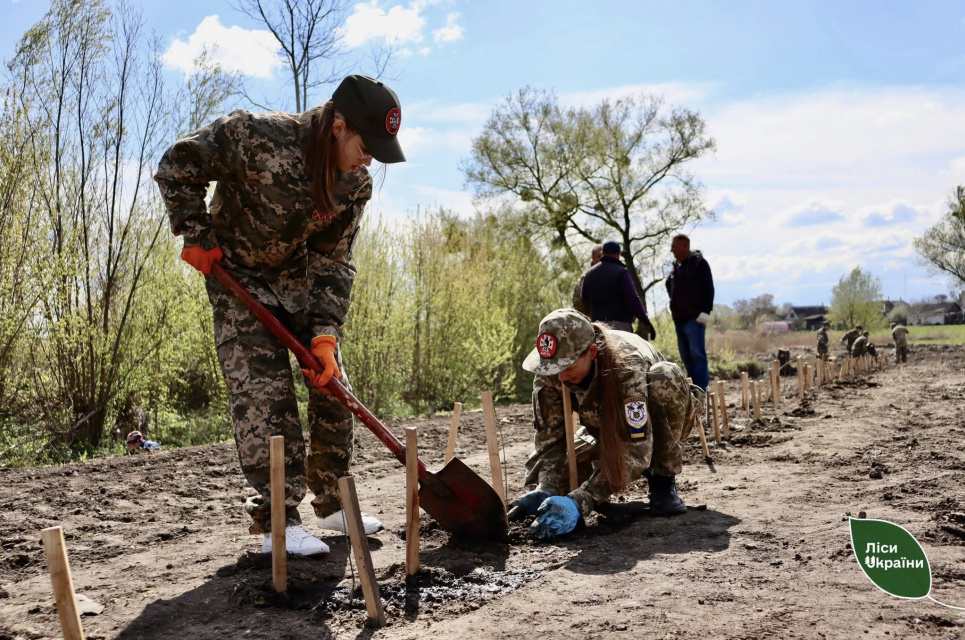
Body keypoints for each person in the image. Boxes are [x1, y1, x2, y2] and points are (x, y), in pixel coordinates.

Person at [155, 75, 404, 556]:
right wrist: (194, 230)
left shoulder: (355, 184)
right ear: (337, 125)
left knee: (333, 386)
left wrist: (326, 334)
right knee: (265, 396)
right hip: (237, 279)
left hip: (300, 284)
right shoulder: (255, 135)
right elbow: (177, 165)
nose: (369, 158)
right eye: (365, 145)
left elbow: (334, 261)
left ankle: (332, 501)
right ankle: (277, 522)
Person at [508, 309, 704, 540]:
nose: (560, 378)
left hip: (661, 419)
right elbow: (551, 438)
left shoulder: (627, 367)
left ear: (591, 352)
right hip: (599, 425)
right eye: (555, 369)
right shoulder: (553, 365)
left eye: (568, 368)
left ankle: (663, 481)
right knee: (564, 486)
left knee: (665, 376)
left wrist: (583, 500)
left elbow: (636, 448)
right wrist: (546, 486)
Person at [580, 241, 657, 339]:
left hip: (598, 329)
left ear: (602, 254)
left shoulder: (589, 274)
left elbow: (584, 301)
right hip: (620, 328)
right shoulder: (621, 273)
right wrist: (646, 322)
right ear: (618, 255)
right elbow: (633, 300)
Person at [665, 234, 714, 390]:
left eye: (674, 246)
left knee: (697, 354)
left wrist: (705, 312)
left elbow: (709, 288)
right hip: (679, 319)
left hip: (695, 318)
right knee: (686, 355)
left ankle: (700, 388)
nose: (671, 249)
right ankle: (691, 388)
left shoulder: (699, 264)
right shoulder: (676, 268)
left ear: (684, 247)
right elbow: (669, 286)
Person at [572, 244, 603, 316]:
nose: (602, 258)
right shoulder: (586, 277)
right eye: (599, 256)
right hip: (596, 320)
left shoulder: (617, 273)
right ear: (593, 258)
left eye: (604, 256)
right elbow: (578, 303)